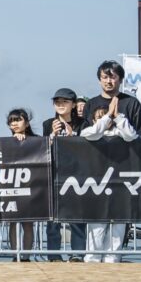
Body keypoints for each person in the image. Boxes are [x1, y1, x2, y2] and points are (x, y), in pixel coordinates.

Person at [81, 99, 138, 263]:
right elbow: (92, 133)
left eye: (108, 117)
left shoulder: (120, 134)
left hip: (120, 191)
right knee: (96, 234)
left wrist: (118, 116)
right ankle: (92, 266)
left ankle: (112, 265)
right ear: (93, 121)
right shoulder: (88, 133)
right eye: (99, 118)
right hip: (97, 192)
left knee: (116, 236)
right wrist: (107, 116)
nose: (105, 120)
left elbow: (131, 135)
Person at [41, 88, 87, 261]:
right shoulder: (48, 123)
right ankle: (53, 255)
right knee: (52, 221)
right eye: (57, 102)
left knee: (77, 219)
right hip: (53, 176)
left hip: (77, 177)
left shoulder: (84, 124)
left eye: (65, 101)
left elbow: (88, 150)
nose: (60, 105)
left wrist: (70, 138)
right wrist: (52, 135)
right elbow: (43, 149)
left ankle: (77, 255)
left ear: (73, 104)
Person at [5, 108, 38, 261]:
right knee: (12, 223)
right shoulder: (5, 143)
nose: (15, 124)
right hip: (12, 187)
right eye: (12, 121)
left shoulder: (37, 140)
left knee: (28, 223)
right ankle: (14, 255)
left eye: (18, 120)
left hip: (32, 187)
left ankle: (25, 256)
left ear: (27, 122)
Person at [83, 61, 141, 136]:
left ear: (121, 80)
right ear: (99, 80)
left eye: (112, 77)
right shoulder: (90, 104)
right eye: (105, 77)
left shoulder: (132, 103)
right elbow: (84, 135)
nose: (108, 81)